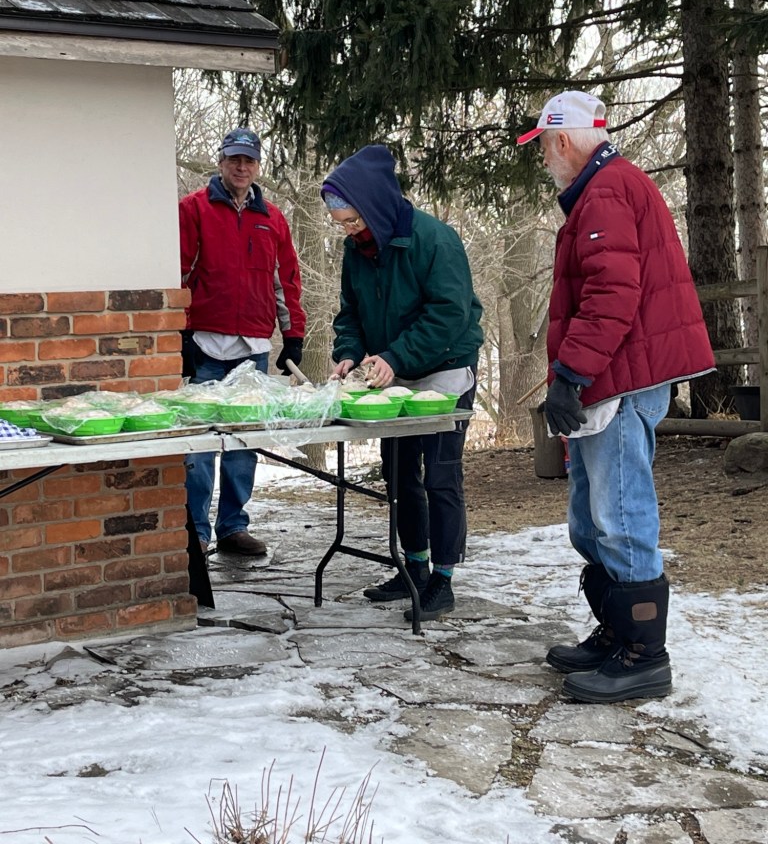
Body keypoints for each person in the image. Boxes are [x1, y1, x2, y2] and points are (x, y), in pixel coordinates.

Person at [517, 91, 715, 702]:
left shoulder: (606, 190)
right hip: (613, 375)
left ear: (564, 140)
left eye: (544, 146)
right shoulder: (604, 188)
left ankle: (644, 656)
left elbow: (612, 294)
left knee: (620, 515)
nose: (544, 158)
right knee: (591, 518)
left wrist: (571, 374)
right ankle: (618, 630)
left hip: (622, 380)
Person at [321, 144, 484, 620]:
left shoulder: (435, 240)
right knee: (398, 473)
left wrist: (396, 356)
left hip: (445, 368)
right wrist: (349, 353)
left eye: (354, 221)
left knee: (441, 475)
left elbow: (449, 315)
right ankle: (413, 566)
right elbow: (350, 313)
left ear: (375, 205)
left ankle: (443, 579)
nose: (350, 231)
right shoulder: (356, 251)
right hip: (392, 371)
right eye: (341, 224)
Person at [179, 127, 306, 555]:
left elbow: (286, 282)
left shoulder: (272, 219)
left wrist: (293, 335)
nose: (241, 167)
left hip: (253, 351)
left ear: (257, 167)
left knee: (244, 444)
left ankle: (233, 526)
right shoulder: (193, 209)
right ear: (221, 162)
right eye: (234, 159)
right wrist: (180, 333)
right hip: (205, 346)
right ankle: (196, 531)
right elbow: (179, 273)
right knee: (199, 445)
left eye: (248, 160)